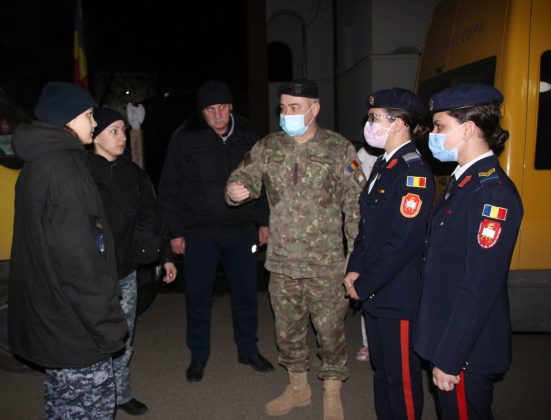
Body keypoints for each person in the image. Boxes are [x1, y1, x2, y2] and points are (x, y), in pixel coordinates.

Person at [226, 79, 365, 420]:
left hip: (326, 263)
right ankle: (298, 387)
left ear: (314, 108)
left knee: (330, 333)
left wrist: (356, 256)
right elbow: (241, 180)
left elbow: (356, 206)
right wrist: (235, 191)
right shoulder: (268, 147)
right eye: (283, 108)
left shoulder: (338, 148)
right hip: (283, 262)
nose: (286, 114)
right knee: (287, 333)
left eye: (295, 108)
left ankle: (332, 391)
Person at [8, 82, 127, 418]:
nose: (94, 122)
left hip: (52, 313)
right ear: (68, 119)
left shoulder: (38, 163)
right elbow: (79, 262)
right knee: (90, 405)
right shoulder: (65, 171)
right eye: (89, 115)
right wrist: (107, 324)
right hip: (74, 325)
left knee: (63, 403)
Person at [414, 83, 523, 419]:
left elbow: (479, 287)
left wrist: (450, 357)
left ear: (468, 129)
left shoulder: (492, 194)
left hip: (465, 349)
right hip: (449, 334)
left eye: (439, 126)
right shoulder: (462, 181)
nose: (433, 135)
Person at [158, 80, 273, 383]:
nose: (218, 114)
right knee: (198, 298)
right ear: (202, 112)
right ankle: (198, 356)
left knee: (246, 295)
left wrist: (263, 221)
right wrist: (175, 232)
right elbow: (169, 188)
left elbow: (264, 182)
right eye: (211, 109)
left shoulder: (249, 136)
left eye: (223, 107)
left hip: (242, 232)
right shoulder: (184, 138)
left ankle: (248, 350)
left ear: (231, 107)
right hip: (199, 234)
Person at [344, 88, 435, 420]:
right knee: (382, 371)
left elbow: (402, 243)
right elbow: (367, 228)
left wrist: (364, 283)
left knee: (402, 380)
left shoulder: (413, 172)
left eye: (375, 118)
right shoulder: (385, 164)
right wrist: (354, 268)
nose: (369, 124)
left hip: (397, 293)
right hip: (374, 288)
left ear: (399, 123)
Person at [89, 107, 178, 415]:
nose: (122, 137)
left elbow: (152, 217)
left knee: (124, 336)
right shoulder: (81, 173)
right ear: (95, 135)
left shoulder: (134, 174)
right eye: (114, 131)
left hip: (126, 272)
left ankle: (121, 393)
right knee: (92, 339)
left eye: (123, 130)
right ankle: (96, 394)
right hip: (92, 276)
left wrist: (165, 257)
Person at [355, 146, 378, 362]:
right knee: (365, 287)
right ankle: (367, 343)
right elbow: (351, 172)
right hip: (365, 221)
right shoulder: (364, 154)